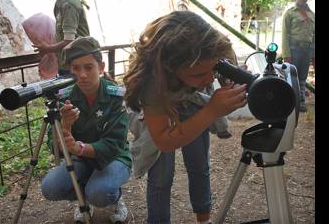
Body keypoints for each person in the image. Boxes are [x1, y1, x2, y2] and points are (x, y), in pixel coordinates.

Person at [123, 11, 248, 224]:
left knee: (199, 165)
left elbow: (223, 62)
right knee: (161, 176)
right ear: (171, 68)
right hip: (163, 103)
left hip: (191, 100)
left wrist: (230, 77)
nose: (210, 79)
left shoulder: (214, 46)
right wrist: (211, 112)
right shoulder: (153, 81)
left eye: (214, 68)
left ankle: (203, 219)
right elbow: (163, 140)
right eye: (200, 74)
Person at [41, 36, 131, 223]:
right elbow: (54, 147)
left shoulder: (116, 96)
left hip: (113, 158)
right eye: (75, 68)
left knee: (100, 192)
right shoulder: (64, 97)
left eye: (89, 67)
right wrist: (66, 124)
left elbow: (113, 145)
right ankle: (83, 200)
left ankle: (115, 198)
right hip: (81, 159)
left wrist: (78, 148)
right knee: (51, 187)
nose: (82, 75)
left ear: (101, 67)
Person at [34, 0, 90, 76]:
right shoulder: (64, 2)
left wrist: (47, 48)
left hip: (75, 65)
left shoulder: (68, 4)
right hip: (70, 63)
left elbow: (69, 41)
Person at [282, 0, 314, 112]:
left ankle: (301, 101)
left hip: (307, 50)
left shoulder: (312, 14)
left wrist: (313, 54)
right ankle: (290, 101)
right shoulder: (289, 13)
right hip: (294, 49)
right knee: (291, 76)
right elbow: (284, 35)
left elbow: (314, 36)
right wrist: (286, 54)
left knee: (302, 78)